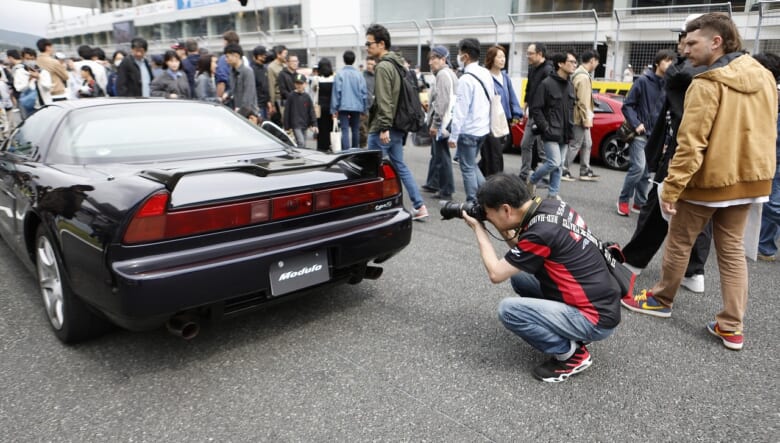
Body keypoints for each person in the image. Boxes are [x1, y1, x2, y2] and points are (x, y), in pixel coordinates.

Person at [621, 13, 777, 352]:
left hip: (708, 180)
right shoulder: (764, 76)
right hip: (751, 179)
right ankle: (731, 326)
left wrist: (672, 187)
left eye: (692, 42)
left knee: (680, 241)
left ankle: (661, 300)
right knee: (732, 251)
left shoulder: (707, 82)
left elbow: (691, 144)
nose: (685, 49)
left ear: (716, 42)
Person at [462, 173, 620, 382]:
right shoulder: (551, 207)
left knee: (509, 311)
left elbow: (496, 273)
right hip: (600, 300)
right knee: (520, 277)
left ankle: (571, 356)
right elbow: (525, 251)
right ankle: (571, 330)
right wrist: (501, 227)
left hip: (595, 319)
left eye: (489, 213)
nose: (487, 218)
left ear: (506, 209)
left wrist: (478, 229)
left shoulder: (541, 232)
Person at [620, 17, 712, 295]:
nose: (684, 46)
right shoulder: (733, 70)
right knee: (701, 215)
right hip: (716, 159)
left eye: (689, 40)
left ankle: (637, 265)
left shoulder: (685, 73)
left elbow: (674, 117)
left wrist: (662, 152)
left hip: (682, 151)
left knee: (659, 206)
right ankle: (694, 271)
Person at [365, 23, 428, 220]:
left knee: (372, 169)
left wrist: (384, 126)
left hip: (385, 127)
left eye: (369, 44)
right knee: (399, 165)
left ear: (381, 44)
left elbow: (385, 100)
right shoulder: (399, 64)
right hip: (399, 126)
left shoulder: (383, 66)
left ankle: (376, 207)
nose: (367, 47)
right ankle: (419, 205)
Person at [616, 49, 675, 216]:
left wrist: (666, 139)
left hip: (656, 137)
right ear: (657, 63)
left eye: (672, 61)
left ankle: (639, 203)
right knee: (638, 167)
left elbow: (667, 115)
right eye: (667, 60)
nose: (670, 64)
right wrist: (637, 124)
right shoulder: (643, 81)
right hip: (640, 133)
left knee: (646, 172)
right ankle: (623, 199)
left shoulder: (668, 86)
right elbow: (627, 105)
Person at [527, 51, 577, 200]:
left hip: (565, 132)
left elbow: (571, 109)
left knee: (559, 165)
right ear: (560, 64)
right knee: (554, 162)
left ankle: (553, 195)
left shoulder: (570, 85)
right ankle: (532, 180)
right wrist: (545, 127)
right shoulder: (546, 84)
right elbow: (536, 108)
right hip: (550, 132)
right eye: (571, 62)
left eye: (575, 62)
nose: (574, 65)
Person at [448, 38, 492, 204]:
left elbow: (460, 111)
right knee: (471, 164)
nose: (458, 56)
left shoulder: (465, 79)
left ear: (465, 56)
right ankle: (488, 194)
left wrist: (453, 136)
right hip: (482, 129)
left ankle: (472, 202)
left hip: (468, 131)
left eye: (459, 53)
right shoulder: (485, 73)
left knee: (467, 167)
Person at [753, 52, 780, 262]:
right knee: (772, 200)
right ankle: (765, 246)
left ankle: (765, 245)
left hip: (773, 154)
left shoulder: (772, 91)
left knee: (772, 203)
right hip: (772, 154)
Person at [480, 44, 522, 177]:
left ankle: (479, 176)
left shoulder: (505, 77)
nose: (503, 59)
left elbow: (512, 95)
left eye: (504, 56)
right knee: (495, 153)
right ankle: (497, 180)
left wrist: (516, 113)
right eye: (499, 57)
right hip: (489, 120)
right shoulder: (485, 76)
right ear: (491, 58)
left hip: (504, 120)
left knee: (491, 154)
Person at [422, 45, 458, 201]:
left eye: (433, 58)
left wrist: (435, 124)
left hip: (443, 122)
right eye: (429, 59)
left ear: (443, 59)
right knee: (437, 155)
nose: (430, 62)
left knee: (442, 156)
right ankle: (434, 183)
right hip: (448, 121)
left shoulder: (443, 75)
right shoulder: (449, 73)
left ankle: (446, 190)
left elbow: (442, 102)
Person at [562, 51, 600, 182]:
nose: (597, 65)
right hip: (579, 116)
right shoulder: (583, 77)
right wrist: (586, 119)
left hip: (578, 114)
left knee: (587, 143)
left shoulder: (578, 73)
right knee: (575, 144)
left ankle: (585, 170)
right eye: (597, 62)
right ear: (592, 61)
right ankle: (563, 169)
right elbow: (583, 101)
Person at [518, 43, 554, 182]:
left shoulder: (548, 70)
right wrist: (525, 105)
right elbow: (529, 88)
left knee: (543, 149)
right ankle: (524, 174)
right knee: (525, 144)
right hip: (533, 113)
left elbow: (549, 95)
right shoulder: (532, 69)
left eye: (530, 53)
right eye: (527, 53)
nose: (528, 56)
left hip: (543, 116)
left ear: (540, 54)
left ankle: (546, 177)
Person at [331, 50, 367, 151]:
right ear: (354, 60)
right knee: (355, 129)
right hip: (357, 106)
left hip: (343, 106)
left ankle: (346, 151)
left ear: (344, 60)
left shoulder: (339, 74)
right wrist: (364, 108)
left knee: (345, 129)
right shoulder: (359, 75)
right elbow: (364, 93)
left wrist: (334, 109)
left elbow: (336, 93)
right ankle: (355, 150)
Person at [284, 73, 317, 148]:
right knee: (301, 142)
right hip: (295, 124)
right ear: (294, 84)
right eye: (297, 83)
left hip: (304, 124)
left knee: (304, 144)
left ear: (305, 84)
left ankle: (300, 154)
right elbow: (287, 111)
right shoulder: (291, 96)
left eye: (301, 83)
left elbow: (311, 111)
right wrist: (286, 126)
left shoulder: (307, 97)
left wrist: (314, 124)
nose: (299, 85)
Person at [224, 44, 257, 113]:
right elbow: (233, 89)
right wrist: (227, 94)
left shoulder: (247, 71)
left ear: (236, 55)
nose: (226, 59)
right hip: (237, 110)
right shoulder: (232, 71)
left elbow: (248, 95)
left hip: (248, 112)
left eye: (227, 57)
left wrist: (241, 111)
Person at [313, 58, 335, 152]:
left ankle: (322, 147)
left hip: (320, 107)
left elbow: (313, 91)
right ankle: (331, 145)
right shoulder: (334, 78)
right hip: (331, 106)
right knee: (331, 127)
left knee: (321, 128)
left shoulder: (316, 79)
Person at [215, 30, 240, 104]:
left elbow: (222, 82)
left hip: (227, 98)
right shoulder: (243, 59)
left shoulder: (223, 59)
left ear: (226, 42)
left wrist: (219, 100)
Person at [267, 45, 288, 126]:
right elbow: (271, 86)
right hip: (278, 98)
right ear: (278, 55)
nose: (286, 55)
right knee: (283, 120)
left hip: (287, 97)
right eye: (285, 53)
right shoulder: (271, 67)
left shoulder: (285, 66)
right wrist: (272, 103)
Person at [250, 45, 270, 121]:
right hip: (258, 105)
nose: (265, 56)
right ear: (258, 56)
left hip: (265, 104)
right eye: (263, 55)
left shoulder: (264, 68)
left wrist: (268, 101)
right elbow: (252, 89)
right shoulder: (252, 70)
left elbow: (266, 86)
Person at [360, 56, 376, 147]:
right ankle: (362, 148)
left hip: (375, 108)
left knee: (373, 131)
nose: (370, 66)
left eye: (372, 64)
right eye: (368, 64)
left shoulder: (378, 76)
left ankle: (371, 148)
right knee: (362, 131)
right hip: (363, 107)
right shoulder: (362, 76)